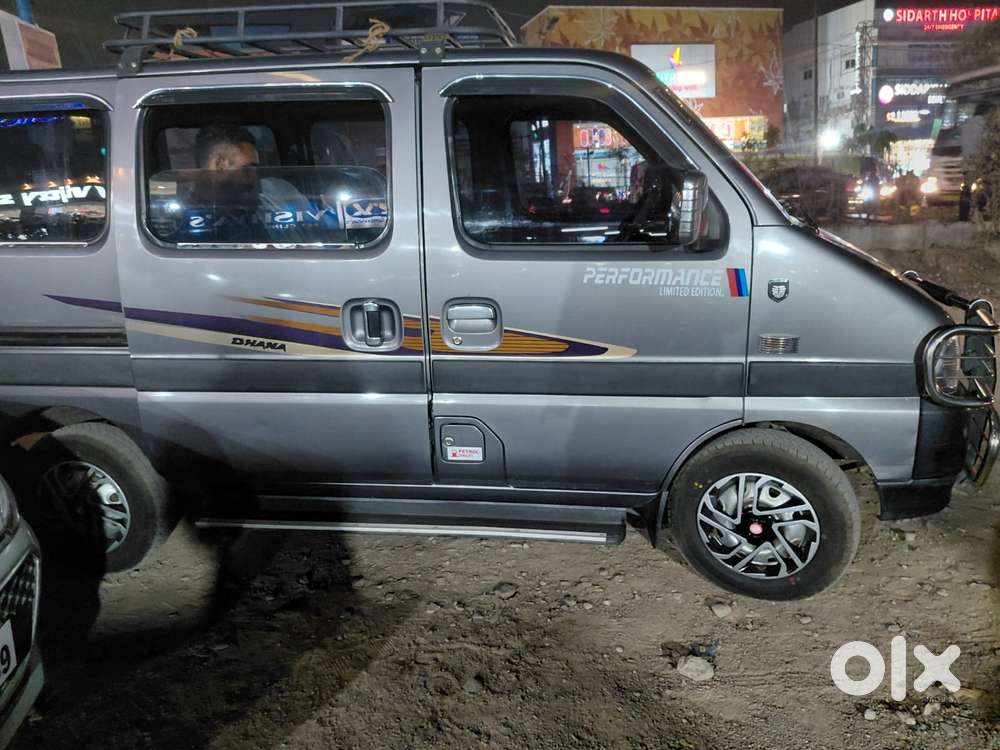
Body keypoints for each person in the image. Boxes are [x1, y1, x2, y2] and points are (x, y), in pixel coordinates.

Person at [192, 123, 313, 242]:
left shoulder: (278, 194)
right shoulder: (184, 222)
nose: (255, 179)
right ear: (218, 163)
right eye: (247, 170)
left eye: (256, 170)